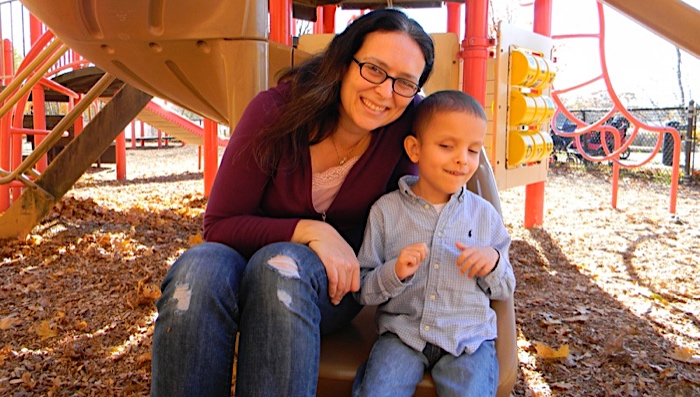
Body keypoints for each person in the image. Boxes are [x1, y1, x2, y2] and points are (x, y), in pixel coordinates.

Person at [150, 9, 435, 397]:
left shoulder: (408, 126)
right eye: (373, 69)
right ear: (344, 62)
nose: (385, 92)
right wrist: (310, 231)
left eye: (405, 83)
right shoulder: (276, 112)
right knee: (198, 270)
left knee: (279, 268)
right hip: (242, 258)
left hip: (330, 284)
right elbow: (219, 226)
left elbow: (460, 153)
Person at [352, 90, 516, 397]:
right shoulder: (386, 212)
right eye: (446, 146)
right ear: (414, 149)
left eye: (473, 150)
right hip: (403, 336)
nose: (461, 159)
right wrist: (395, 271)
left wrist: (493, 263)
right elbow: (363, 289)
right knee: (378, 391)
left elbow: (506, 287)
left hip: (468, 340)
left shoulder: (484, 217)